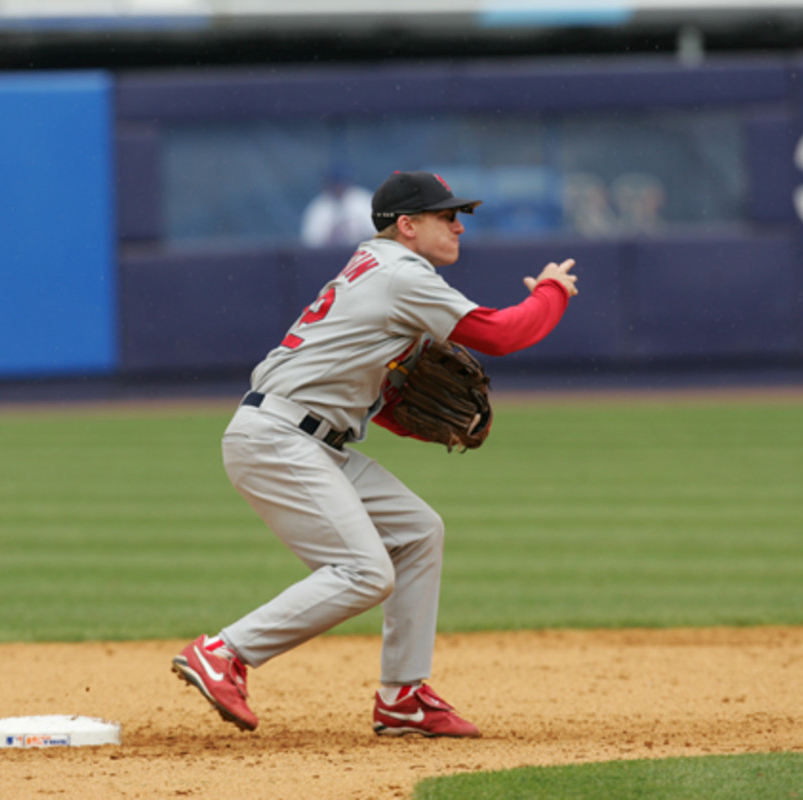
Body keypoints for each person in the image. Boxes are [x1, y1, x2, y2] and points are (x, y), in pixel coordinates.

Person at [172, 171, 578, 738]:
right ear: (406, 226)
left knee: (418, 532)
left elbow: (377, 400)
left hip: (309, 437)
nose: (459, 224)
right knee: (365, 572)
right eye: (446, 215)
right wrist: (552, 290)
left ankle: (403, 697)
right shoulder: (401, 275)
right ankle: (224, 652)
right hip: (280, 439)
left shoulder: (377, 270)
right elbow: (503, 333)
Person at [299, 166, 377, 247]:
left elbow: (379, 234)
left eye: (341, 183)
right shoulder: (319, 207)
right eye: (335, 184)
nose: (339, 187)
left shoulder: (362, 200)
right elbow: (310, 242)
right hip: (329, 257)